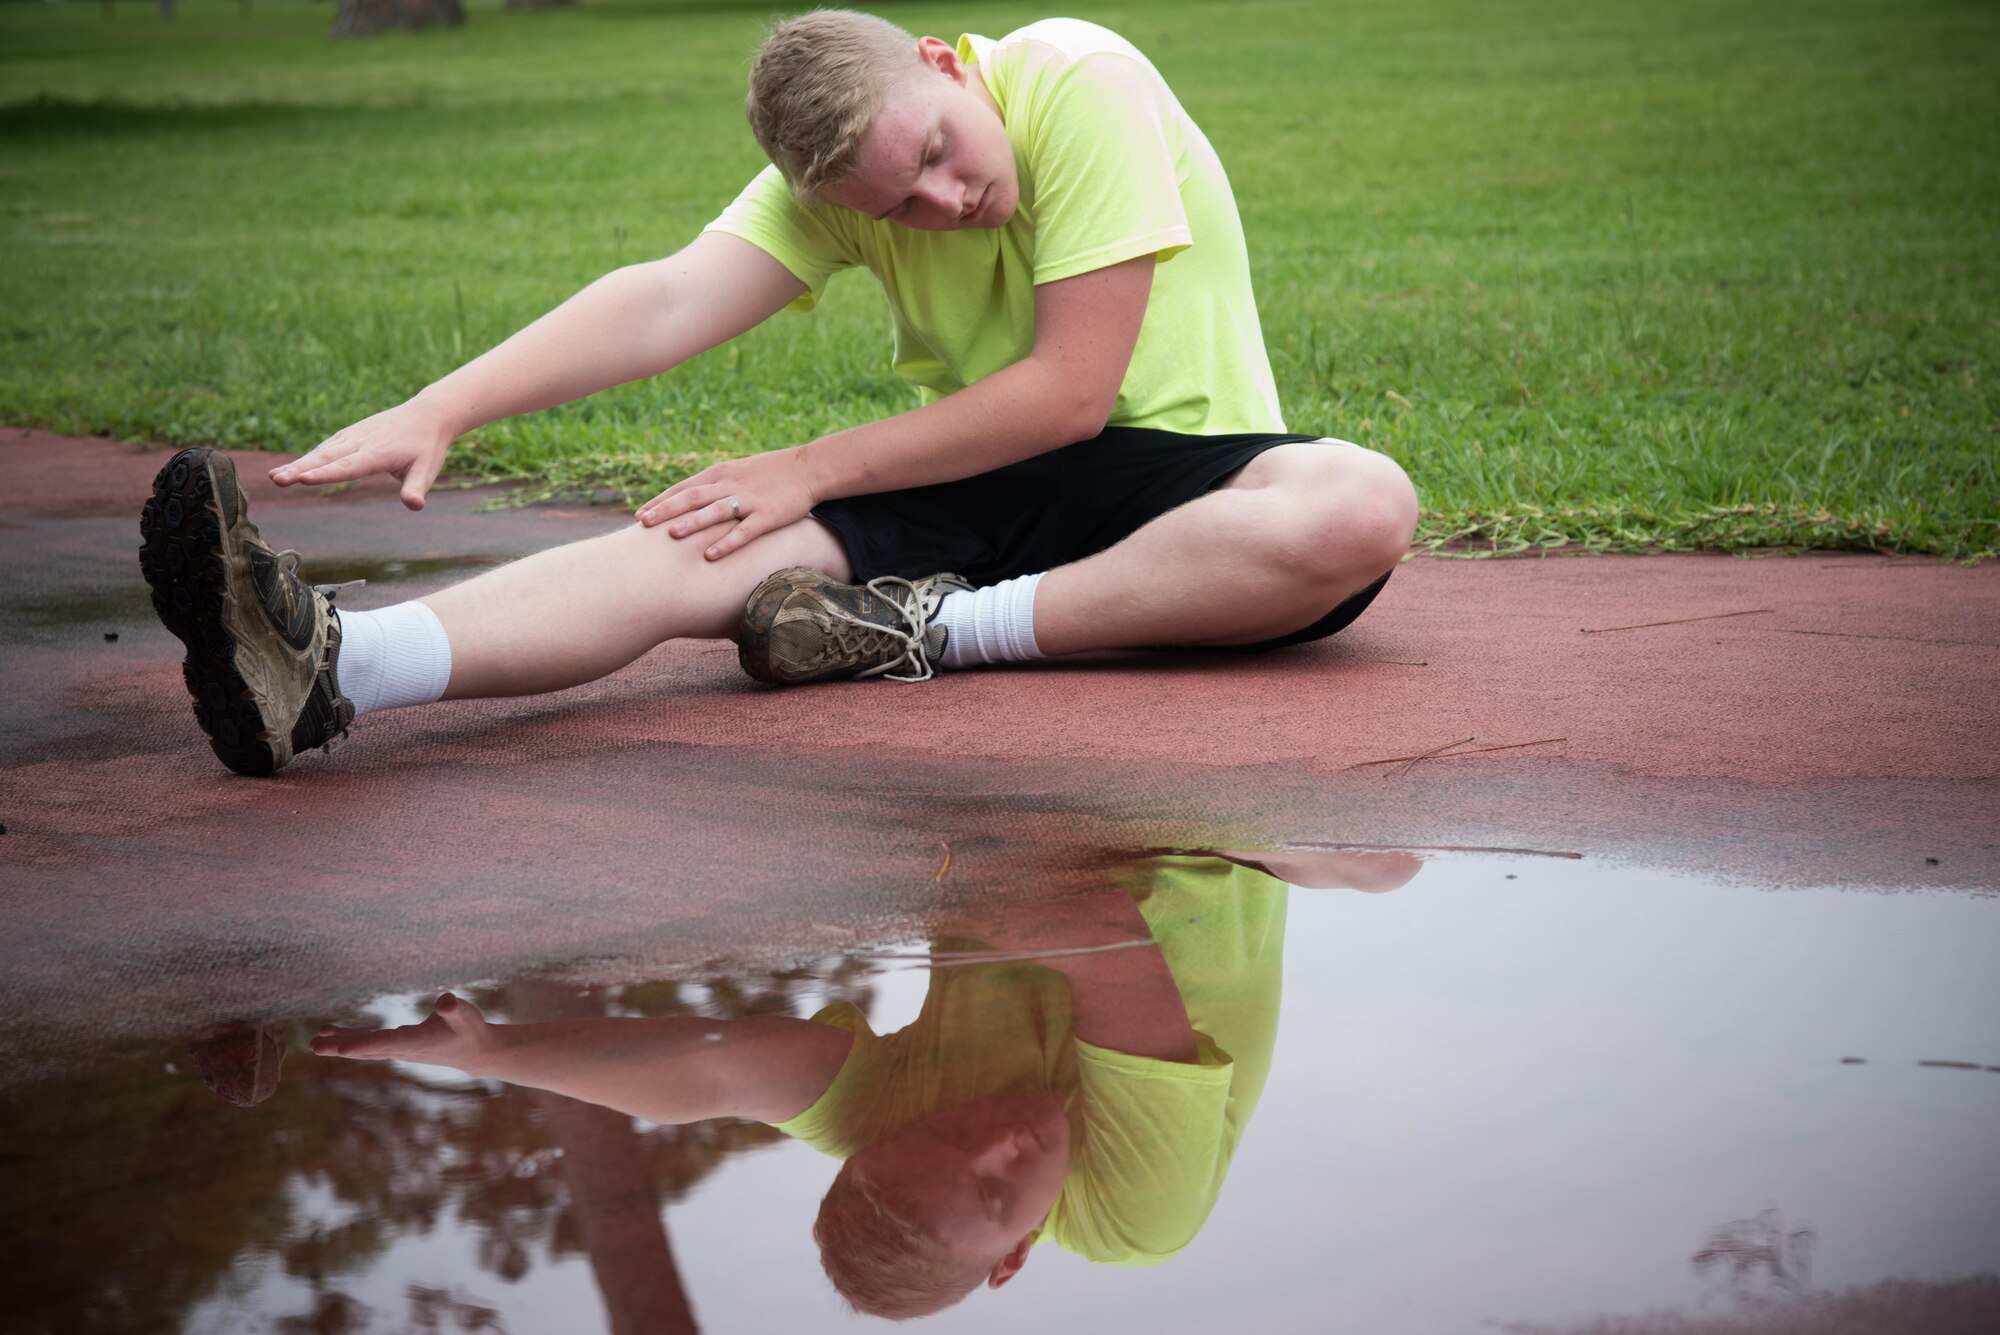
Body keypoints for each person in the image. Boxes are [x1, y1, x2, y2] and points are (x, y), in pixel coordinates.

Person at [139, 10, 1418, 776]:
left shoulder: (1075, 75)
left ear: (945, 63)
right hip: (984, 493)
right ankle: (333, 667)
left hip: (1193, 498)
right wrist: (446, 404)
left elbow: (1071, 396)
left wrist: (807, 465)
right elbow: (665, 298)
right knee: (699, 535)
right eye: (889, 207)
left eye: (935, 154)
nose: (941, 203)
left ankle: (921, 629)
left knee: (1356, 505)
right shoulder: (835, 187)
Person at [308, 850, 1423, 1319]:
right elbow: (1104, 938)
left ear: (881, 1141)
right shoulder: (1138, 1218)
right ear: (1014, 1260)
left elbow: (710, 1074)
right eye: (995, 1198)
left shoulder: (889, 1132)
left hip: (1039, 833)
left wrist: (497, 1053)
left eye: (946, 1137)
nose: (999, 1146)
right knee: (1373, 861)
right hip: (1217, 843)